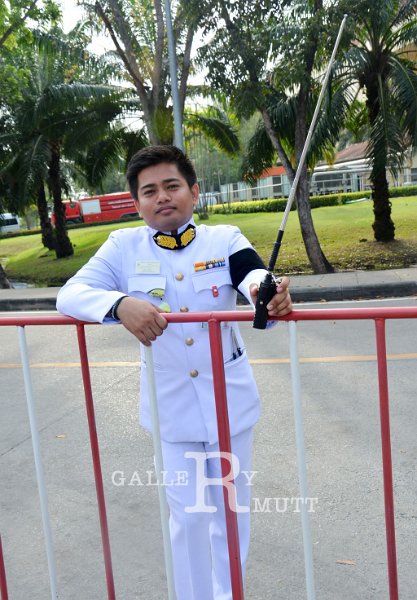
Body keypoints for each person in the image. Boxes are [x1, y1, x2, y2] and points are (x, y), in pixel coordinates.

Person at [56, 145, 293, 600]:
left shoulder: (223, 239)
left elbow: (251, 275)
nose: (162, 197)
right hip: (170, 410)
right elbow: (70, 293)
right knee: (187, 517)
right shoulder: (122, 247)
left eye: (172, 186)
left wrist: (266, 292)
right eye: (150, 191)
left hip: (229, 405)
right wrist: (119, 304)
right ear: (137, 202)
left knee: (231, 513)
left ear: (194, 192)